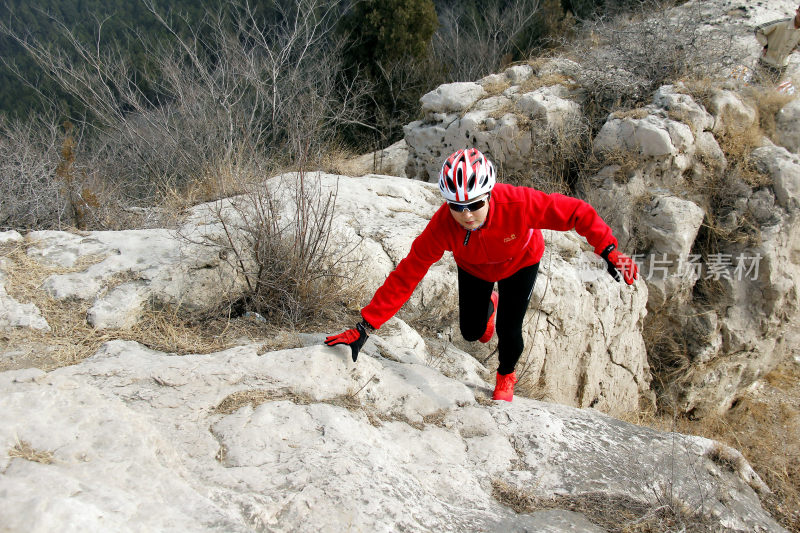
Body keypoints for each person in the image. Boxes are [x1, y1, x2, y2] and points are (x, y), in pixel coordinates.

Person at [325, 148, 638, 402]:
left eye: (474, 204)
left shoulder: (519, 203)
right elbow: (407, 273)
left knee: (510, 331)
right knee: (472, 332)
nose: (466, 215)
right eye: (456, 206)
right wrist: (365, 326)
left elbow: (576, 212)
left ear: (489, 194)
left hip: (521, 262)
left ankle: (505, 373)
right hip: (474, 267)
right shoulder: (443, 226)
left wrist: (608, 249)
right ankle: (490, 302)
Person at [754, 5, 800, 83]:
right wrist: (765, 45)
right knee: (755, 86)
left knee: (771, 91)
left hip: (782, 66)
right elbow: (758, 30)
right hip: (766, 62)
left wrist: (794, 49)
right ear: (797, 11)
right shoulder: (782, 24)